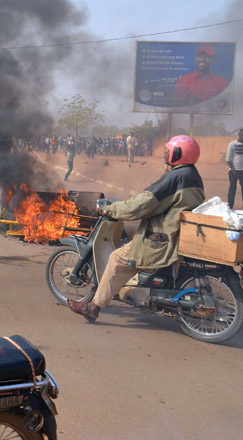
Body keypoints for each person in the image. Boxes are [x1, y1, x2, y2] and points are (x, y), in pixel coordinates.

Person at [68, 135, 205, 322]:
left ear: (179, 154)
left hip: (162, 237)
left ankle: (93, 307)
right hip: (176, 231)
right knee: (133, 234)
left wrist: (110, 209)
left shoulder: (176, 176)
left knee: (117, 258)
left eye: (168, 151)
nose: (165, 154)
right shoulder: (192, 175)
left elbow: (141, 206)